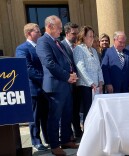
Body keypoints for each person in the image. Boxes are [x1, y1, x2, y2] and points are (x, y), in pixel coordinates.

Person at [36, 15, 79, 155]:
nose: (61, 31)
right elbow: (49, 63)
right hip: (54, 87)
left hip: (65, 85)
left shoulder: (57, 42)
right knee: (54, 117)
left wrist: (71, 74)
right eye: (59, 27)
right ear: (49, 26)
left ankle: (66, 139)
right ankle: (54, 145)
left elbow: (66, 61)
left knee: (67, 114)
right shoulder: (43, 41)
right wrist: (67, 76)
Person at [15, 23, 49, 151]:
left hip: (45, 89)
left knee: (46, 116)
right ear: (29, 33)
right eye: (37, 31)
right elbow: (28, 69)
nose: (40, 33)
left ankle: (48, 139)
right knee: (35, 118)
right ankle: (36, 141)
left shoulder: (41, 47)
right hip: (34, 88)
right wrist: (45, 79)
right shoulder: (22, 49)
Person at [73, 25, 104, 124]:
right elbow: (80, 67)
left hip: (96, 87)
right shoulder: (79, 49)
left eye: (93, 36)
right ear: (84, 37)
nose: (92, 38)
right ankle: (86, 133)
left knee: (96, 110)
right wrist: (91, 83)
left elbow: (99, 68)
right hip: (85, 86)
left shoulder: (94, 50)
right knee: (88, 110)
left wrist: (100, 82)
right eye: (90, 36)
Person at [61, 22, 83, 141]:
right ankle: (68, 135)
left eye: (77, 33)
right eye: (74, 33)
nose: (76, 36)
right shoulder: (61, 45)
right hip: (67, 83)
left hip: (77, 84)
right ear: (67, 33)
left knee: (76, 110)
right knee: (67, 111)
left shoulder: (77, 46)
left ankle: (78, 132)